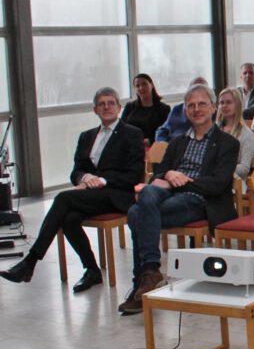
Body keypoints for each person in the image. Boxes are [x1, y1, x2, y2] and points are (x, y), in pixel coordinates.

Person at [1, 88, 144, 292]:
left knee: (63, 199)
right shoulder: (86, 136)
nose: (106, 107)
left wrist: (101, 180)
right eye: (101, 104)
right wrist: (85, 177)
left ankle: (30, 262)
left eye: (111, 102)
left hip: (117, 194)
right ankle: (92, 270)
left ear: (119, 108)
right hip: (90, 196)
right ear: (95, 109)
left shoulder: (132, 134)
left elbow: (134, 174)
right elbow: (75, 172)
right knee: (68, 219)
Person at [120, 83, 239, 315]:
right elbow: (159, 174)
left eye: (202, 104)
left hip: (200, 200)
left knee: (136, 213)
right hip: (168, 195)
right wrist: (167, 174)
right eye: (191, 105)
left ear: (213, 107)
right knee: (146, 193)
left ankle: (142, 282)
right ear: (185, 110)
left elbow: (218, 184)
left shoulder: (227, 143)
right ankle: (150, 273)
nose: (196, 109)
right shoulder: (177, 142)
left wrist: (182, 179)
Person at [216, 88, 254, 180]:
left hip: (234, 182)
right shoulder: (213, 130)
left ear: (237, 105)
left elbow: (244, 168)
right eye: (221, 103)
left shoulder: (247, 134)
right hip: (211, 179)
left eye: (229, 102)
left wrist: (220, 168)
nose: (224, 106)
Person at [120, 73, 171, 145]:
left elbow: (166, 132)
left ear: (152, 85)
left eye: (144, 84)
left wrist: (148, 141)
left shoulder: (164, 109)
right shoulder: (130, 106)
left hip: (152, 147)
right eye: (137, 86)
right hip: (129, 145)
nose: (141, 88)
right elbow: (121, 127)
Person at [155, 76, 209, 142]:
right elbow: (162, 130)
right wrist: (161, 143)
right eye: (194, 90)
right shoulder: (177, 109)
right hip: (171, 146)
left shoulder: (212, 111)